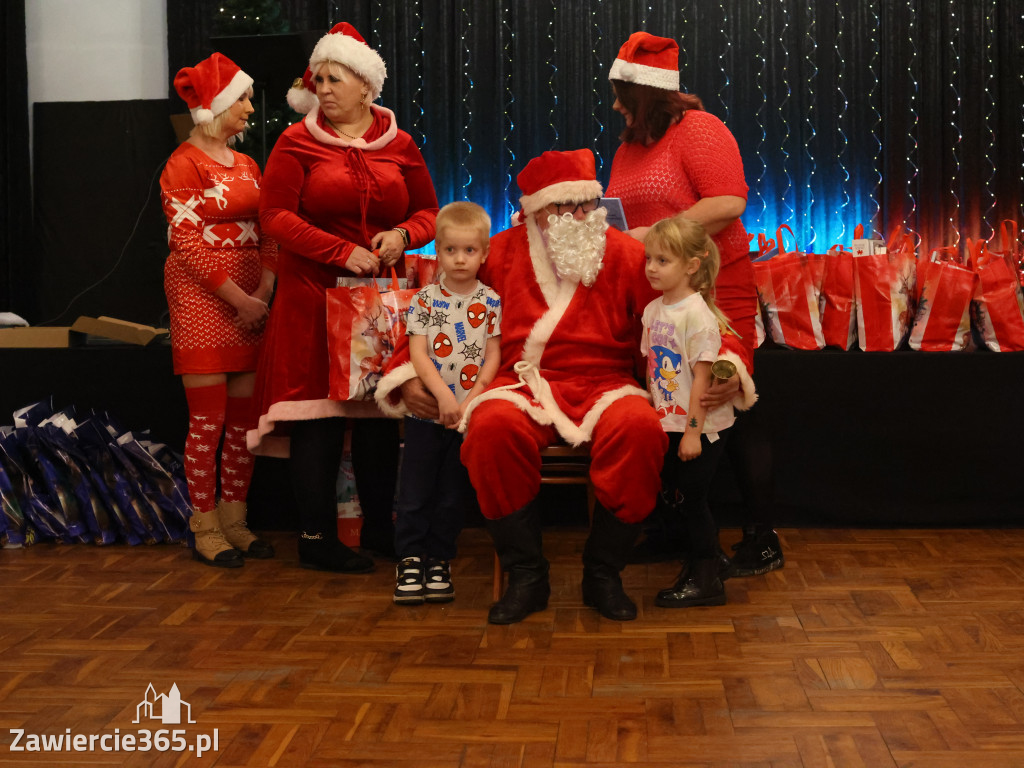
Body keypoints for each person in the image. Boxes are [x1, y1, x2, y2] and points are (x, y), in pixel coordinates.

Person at [377, 149, 667, 624]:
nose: (578, 216)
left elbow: (668, 319)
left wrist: (703, 371)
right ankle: (527, 575)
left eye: (584, 205)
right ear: (535, 208)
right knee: (490, 429)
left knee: (640, 430)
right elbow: (439, 308)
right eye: (563, 206)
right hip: (519, 379)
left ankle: (603, 574)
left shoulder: (626, 252)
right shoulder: (500, 252)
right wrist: (407, 372)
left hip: (605, 382)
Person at [247, 22, 439, 573]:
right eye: (319, 78)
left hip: (378, 297)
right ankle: (315, 539)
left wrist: (404, 236)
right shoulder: (295, 141)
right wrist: (337, 251)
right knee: (320, 417)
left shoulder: (399, 144)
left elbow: (427, 211)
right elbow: (275, 217)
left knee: (378, 411)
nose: (323, 87)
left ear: (365, 85)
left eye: (334, 78)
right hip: (312, 295)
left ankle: (381, 528)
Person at [605, 31, 783, 575]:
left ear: (647, 93)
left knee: (728, 402)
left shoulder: (700, 129)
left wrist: (651, 234)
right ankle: (672, 527)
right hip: (658, 297)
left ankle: (760, 538)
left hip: (714, 290)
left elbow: (729, 201)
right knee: (667, 401)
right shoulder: (628, 147)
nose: (614, 106)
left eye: (621, 94)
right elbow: (623, 221)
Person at [160, 52, 277, 568]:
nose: (251, 109)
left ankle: (235, 519)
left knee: (245, 423)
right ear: (217, 106)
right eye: (243, 99)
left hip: (253, 303)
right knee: (208, 423)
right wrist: (241, 300)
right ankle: (204, 525)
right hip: (202, 300)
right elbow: (186, 243)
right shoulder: (182, 163)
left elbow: (270, 231)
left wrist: (266, 292)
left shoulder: (249, 163)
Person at [389, 201, 501, 604]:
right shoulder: (425, 301)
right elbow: (418, 354)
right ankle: (411, 560)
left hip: (464, 417)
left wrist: (470, 400)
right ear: (438, 251)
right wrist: (441, 396)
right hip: (428, 417)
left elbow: (492, 356)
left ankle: (440, 558)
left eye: (469, 251)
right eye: (451, 250)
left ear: (483, 254)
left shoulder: (491, 302)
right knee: (415, 490)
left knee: (453, 493)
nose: (459, 259)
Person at [641, 218, 734, 606]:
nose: (650, 267)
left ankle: (707, 577)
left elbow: (700, 381)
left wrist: (693, 432)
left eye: (662, 260)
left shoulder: (697, 315)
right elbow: (654, 371)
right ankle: (706, 560)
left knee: (694, 499)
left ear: (692, 266)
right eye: (649, 258)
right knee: (680, 496)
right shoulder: (653, 310)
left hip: (701, 427)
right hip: (671, 422)